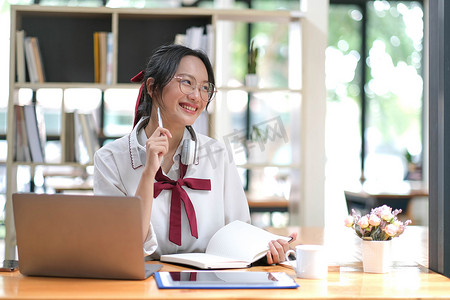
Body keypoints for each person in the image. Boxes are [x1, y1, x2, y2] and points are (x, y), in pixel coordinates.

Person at [93, 44, 295, 264]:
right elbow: (121, 246)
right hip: (141, 285)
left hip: (209, 284)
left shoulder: (217, 155)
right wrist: (149, 172)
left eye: (205, 87)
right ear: (152, 87)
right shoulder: (110, 159)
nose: (197, 96)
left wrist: (266, 251)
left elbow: (240, 233)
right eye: (187, 82)